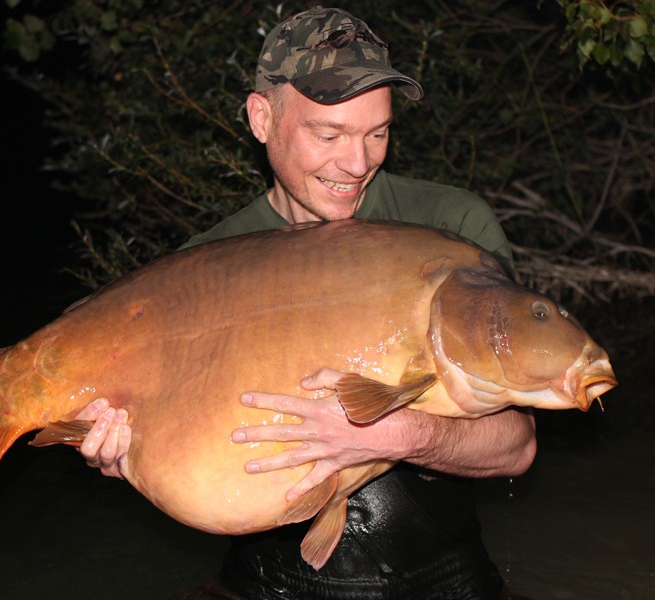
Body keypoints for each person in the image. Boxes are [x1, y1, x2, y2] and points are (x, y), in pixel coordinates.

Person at [76, 7, 536, 599]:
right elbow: (173, 442)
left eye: (378, 133)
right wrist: (122, 451)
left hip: (441, 577)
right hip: (267, 583)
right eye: (329, 135)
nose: (357, 162)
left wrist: (389, 434)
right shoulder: (202, 265)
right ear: (261, 117)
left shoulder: (449, 229)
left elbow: (517, 444)